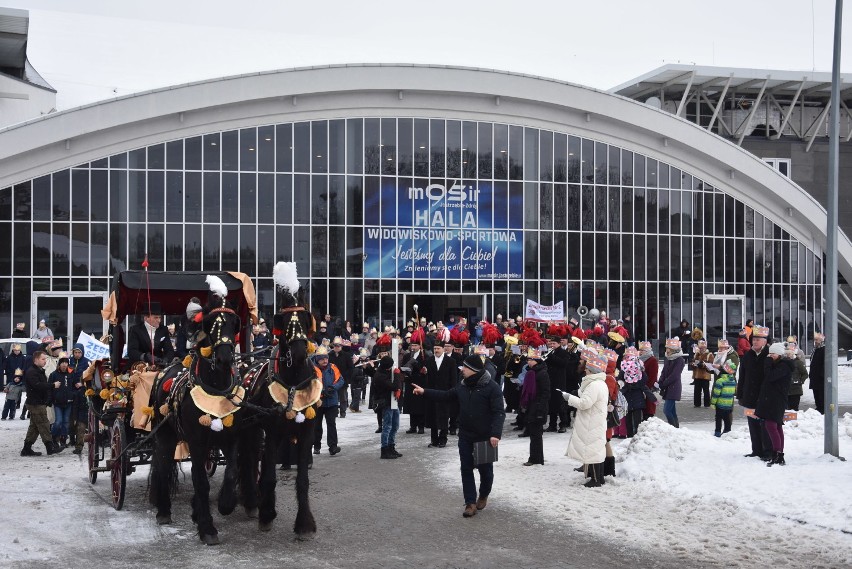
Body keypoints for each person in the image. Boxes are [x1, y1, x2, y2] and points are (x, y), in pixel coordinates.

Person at [412, 354, 505, 518]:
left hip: (485, 436)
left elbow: (499, 413)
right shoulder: (462, 385)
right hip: (466, 435)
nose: (462, 370)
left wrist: (495, 434)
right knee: (466, 468)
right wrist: (424, 391)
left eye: (465, 367)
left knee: (486, 471)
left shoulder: (492, 387)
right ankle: (470, 503)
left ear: (474, 370)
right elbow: (446, 396)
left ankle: (483, 495)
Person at [561, 350, 609, 487]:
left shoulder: (594, 385)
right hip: (594, 420)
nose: (585, 371)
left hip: (591, 421)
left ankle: (595, 479)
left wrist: (569, 398)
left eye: (587, 369)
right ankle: (599, 477)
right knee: (596, 450)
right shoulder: (600, 383)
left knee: (591, 450)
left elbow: (584, 404)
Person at [21, 350, 64, 456]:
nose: (45, 361)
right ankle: (50, 448)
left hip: (39, 402)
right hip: (35, 403)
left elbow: (41, 385)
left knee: (34, 427)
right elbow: (38, 385)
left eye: (45, 358)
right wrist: (52, 385)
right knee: (44, 424)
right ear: (36, 360)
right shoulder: (32, 371)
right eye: (43, 359)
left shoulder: (39, 370)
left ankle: (26, 449)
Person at [738, 325, 772, 460]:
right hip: (749, 396)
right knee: (752, 424)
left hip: (764, 397)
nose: (755, 341)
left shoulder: (769, 355)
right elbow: (742, 376)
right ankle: (756, 450)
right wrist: (740, 394)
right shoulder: (748, 355)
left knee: (765, 425)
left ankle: (768, 451)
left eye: (758, 339)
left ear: (765, 341)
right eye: (754, 339)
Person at [756, 343, 793, 466]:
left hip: (776, 400)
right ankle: (779, 453)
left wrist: (767, 362)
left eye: (773, 354)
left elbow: (770, 376)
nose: (770, 356)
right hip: (772, 399)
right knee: (776, 426)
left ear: (779, 354)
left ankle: (777, 453)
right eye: (769, 354)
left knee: (771, 426)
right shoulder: (779, 364)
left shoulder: (784, 366)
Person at [520, 347, 550, 466]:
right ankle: (536, 457)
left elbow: (545, 392)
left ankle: (535, 459)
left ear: (536, 360)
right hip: (532, 406)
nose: (528, 362)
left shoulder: (541, 373)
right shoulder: (531, 372)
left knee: (536, 434)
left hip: (537, 408)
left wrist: (540, 408)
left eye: (531, 359)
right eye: (528, 359)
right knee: (534, 433)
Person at [423, 343, 457, 448]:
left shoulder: (451, 361)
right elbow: (426, 378)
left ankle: (443, 439)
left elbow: (453, 378)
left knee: (444, 416)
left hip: (445, 393)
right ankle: (434, 440)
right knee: (432, 416)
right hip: (432, 393)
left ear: (443, 349)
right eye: (434, 348)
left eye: (438, 348)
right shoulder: (429, 360)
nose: (436, 350)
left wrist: (452, 392)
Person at [312, 346, 343, 456]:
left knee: (331, 425)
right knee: (317, 426)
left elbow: (340, 380)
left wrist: (332, 388)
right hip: (317, 402)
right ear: (317, 359)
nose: (325, 360)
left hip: (331, 402)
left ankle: (333, 446)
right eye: (322, 359)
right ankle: (316, 446)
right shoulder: (312, 369)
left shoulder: (333, 367)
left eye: (326, 358)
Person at [373, 355, 403, 459]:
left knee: (395, 426)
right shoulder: (380, 376)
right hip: (386, 403)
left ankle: (391, 447)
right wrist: (397, 375)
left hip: (393, 402)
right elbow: (394, 386)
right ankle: (384, 450)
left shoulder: (386, 372)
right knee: (387, 427)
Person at [619, 358, 655, 438]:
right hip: (631, 401)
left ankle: (635, 436)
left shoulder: (640, 373)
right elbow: (620, 380)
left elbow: (645, 382)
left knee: (636, 421)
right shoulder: (625, 371)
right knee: (630, 421)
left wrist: (633, 384)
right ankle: (631, 436)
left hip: (635, 401)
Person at [401, 329, 428, 433]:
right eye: (412, 345)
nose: (413, 347)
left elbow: (424, 369)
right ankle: (413, 426)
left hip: (420, 382)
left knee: (420, 405)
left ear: (420, 346)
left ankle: (421, 426)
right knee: (411, 406)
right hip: (410, 381)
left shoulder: (424, 355)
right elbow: (403, 366)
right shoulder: (407, 355)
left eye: (415, 345)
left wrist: (416, 364)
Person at [49, 354, 75, 448]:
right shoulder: (54, 374)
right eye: (62, 362)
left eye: (66, 362)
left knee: (66, 422)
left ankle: (63, 438)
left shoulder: (71, 373)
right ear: (59, 364)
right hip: (58, 402)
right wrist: (51, 399)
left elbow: (74, 385)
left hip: (68, 401)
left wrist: (73, 395)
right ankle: (54, 437)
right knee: (58, 422)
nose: (64, 364)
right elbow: (50, 388)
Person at [659, 338, 685, 428]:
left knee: (667, 410)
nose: (666, 350)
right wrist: (660, 381)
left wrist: (664, 383)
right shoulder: (668, 358)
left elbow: (675, 375)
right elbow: (664, 371)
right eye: (666, 348)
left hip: (674, 387)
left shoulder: (679, 360)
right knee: (672, 410)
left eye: (668, 348)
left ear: (673, 349)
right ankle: (676, 428)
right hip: (667, 387)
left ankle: (673, 426)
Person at [710, 359, 738, 437]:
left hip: (720, 404)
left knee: (718, 418)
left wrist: (713, 403)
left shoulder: (720, 381)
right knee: (727, 419)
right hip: (729, 404)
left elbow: (716, 393)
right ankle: (727, 431)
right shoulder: (733, 381)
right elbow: (734, 392)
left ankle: (717, 432)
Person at [328, 337, 353, 418]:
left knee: (343, 397)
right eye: (335, 345)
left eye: (338, 346)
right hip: (332, 380)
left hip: (343, 379)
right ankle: (334, 411)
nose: (337, 347)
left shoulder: (346, 356)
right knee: (333, 397)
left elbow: (351, 368)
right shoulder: (329, 356)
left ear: (341, 346)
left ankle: (343, 412)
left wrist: (347, 378)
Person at [638, 340, 659, 420]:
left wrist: (647, 388)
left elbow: (653, 377)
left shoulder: (652, 360)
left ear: (646, 351)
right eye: (640, 350)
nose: (640, 352)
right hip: (642, 387)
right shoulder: (640, 360)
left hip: (648, 388)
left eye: (642, 350)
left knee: (649, 410)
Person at [786, 340, 808, 411]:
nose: (788, 354)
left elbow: (805, 374)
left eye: (790, 353)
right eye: (787, 353)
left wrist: (800, 381)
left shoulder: (798, 363)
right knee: (787, 408)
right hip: (786, 389)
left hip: (796, 390)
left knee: (794, 408)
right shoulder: (784, 362)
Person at [691, 339, 713, 407]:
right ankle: (697, 404)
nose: (701, 349)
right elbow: (693, 361)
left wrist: (703, 365)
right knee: (697, 390)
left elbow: (711, 364)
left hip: (705, 376)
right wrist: (692, 364)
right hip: (697, 375)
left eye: (703, 348)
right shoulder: (696, 354)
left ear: (706, 347)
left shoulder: (709, 354)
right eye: (700, 348)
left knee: (706, 391)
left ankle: (707, 404)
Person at [809, 333, 825, 413]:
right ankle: (818, 407)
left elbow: (825, 364)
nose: (815, 342)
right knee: (816, 393)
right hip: (814, 377)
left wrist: (821, 375)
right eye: (815, 340)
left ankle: (822, 409)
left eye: (817, 340)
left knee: (821, 394)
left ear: (821, 340)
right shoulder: (815, 349)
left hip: (820, 378)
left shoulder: (824, 349)